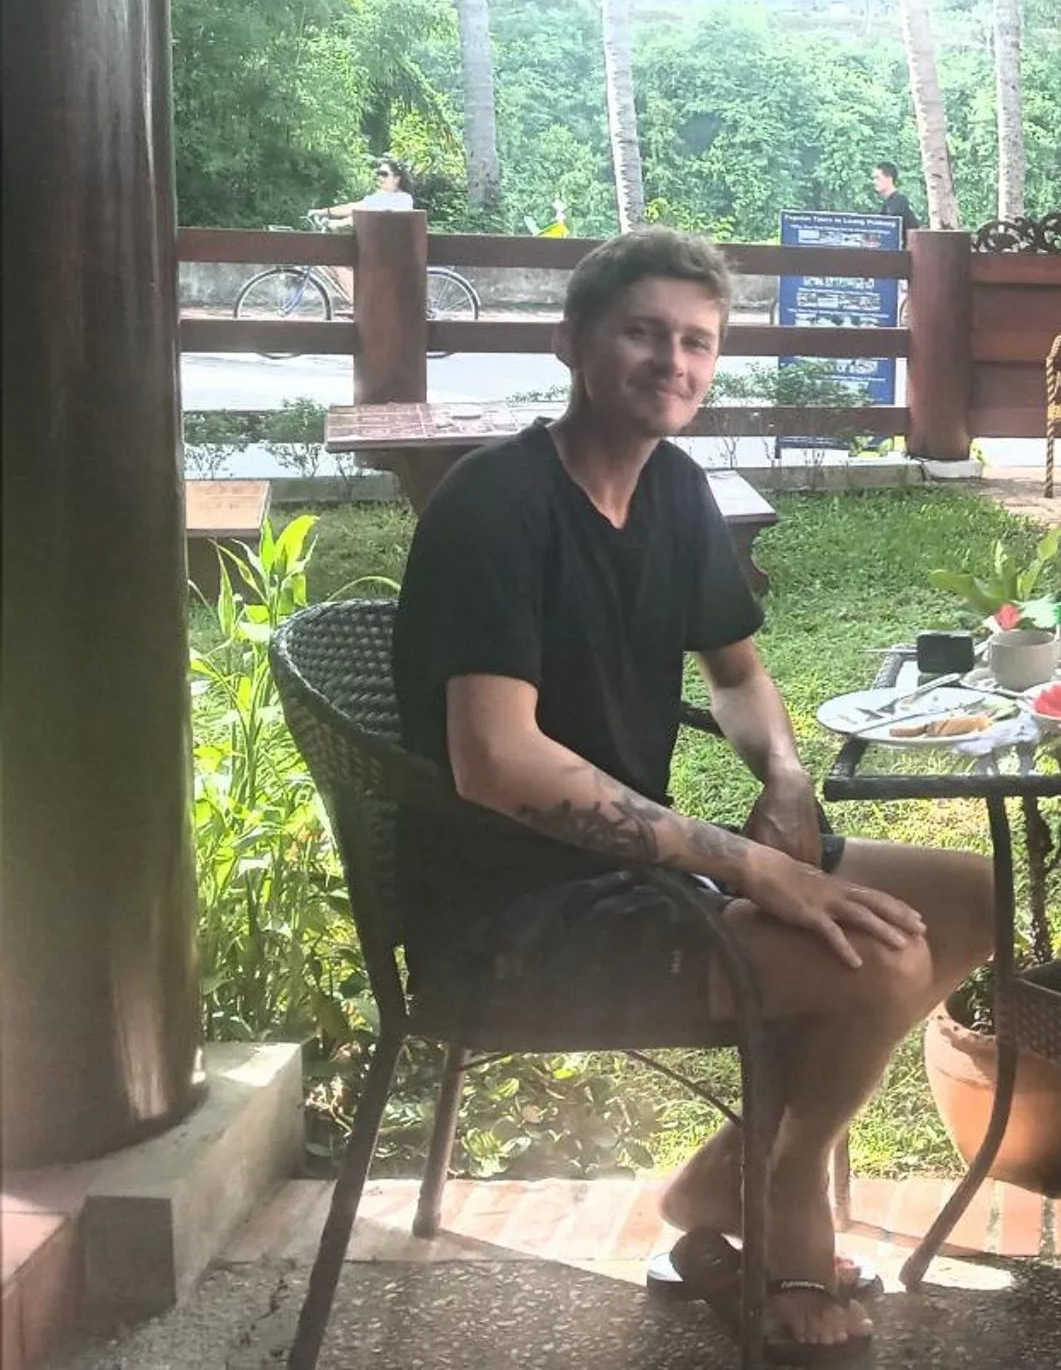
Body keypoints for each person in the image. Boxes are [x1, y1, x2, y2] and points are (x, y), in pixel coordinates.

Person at [392, 227, 994, 1364]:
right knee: (890, 958)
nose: (673, 362)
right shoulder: (494, 507)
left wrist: (784, 775)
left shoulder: (670, 489)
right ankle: (783, 1194)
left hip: (646, 878)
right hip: (520, 915)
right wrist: (744, 861)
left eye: (697, 343)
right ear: (572, 343)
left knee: (969, 900)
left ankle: (727, 1175)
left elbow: (738, 671)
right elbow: (497, 760)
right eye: (644, 334)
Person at [313, 156, 416, 221]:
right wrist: (324, 212)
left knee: (357, 219)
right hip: (371, 246)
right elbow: (354, 207)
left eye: (384, 174)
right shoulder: (378, 196)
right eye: (378, 174)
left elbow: (382, 217)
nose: (380, 178)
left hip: (390, 249)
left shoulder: (404, 199)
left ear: (396, 179)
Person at [869, 161, 918, 236]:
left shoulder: (899, 200)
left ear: (889, 178)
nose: (874, 182)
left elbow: (888, 226)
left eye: (877, 178)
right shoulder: (886, 203)